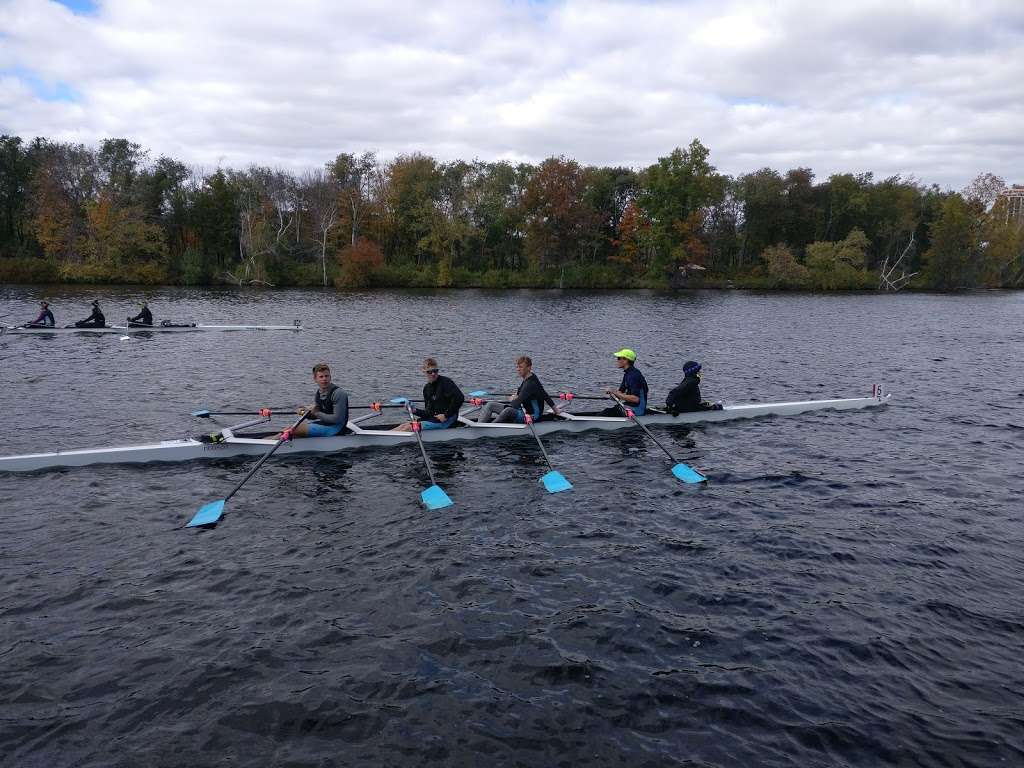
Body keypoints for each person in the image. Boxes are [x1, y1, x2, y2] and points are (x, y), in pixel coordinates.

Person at [272, 362, 350, 439]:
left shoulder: (339, 393)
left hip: (336, 429)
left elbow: (336, 419)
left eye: (327, 376)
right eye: (321, 377)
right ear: (315, 379)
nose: (324, 379)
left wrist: (316, 412)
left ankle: (269, 442)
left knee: (291, 429)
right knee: (292, 435)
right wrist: (303, 412)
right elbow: (314, 416)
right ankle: (266, 441)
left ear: (330, 377)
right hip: (324, 425)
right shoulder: (318, 393)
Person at [476, 355, 560, 423]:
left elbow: (515, 404)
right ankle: (480, 426)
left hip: (532, 416)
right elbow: (544, 394)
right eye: (517, 367)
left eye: (521, 367)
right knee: (490, 405)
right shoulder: (532, 376)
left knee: (508, 410)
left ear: (529, 368)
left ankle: (489, 430)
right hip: (523, 410)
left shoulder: (530, 384)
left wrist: (513, 398)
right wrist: (555, 409)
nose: (518, 369)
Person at [393, 357, 464, 432]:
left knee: (409, 428)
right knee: (404, 425)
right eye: (429, 372)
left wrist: (446, 415)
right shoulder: (426, 389)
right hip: (435, 418)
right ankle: (384, 436)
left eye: (435, 371)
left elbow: (460, 398)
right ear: (424, 372)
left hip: (447, 420)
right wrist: (414, 410)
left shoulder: (446, 382)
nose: (433, 374)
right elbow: (428, 413)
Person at [601, 348, 648, 416]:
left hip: (637, 410)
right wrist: (612, 394)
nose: (617, 360)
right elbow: (620, 394)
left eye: (619, 358)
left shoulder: (634, 376)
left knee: (606, 413)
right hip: (629, 406)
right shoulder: (627, 374)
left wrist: (614, 392)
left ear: (626, 360)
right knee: (606, 411)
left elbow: (636, 399)